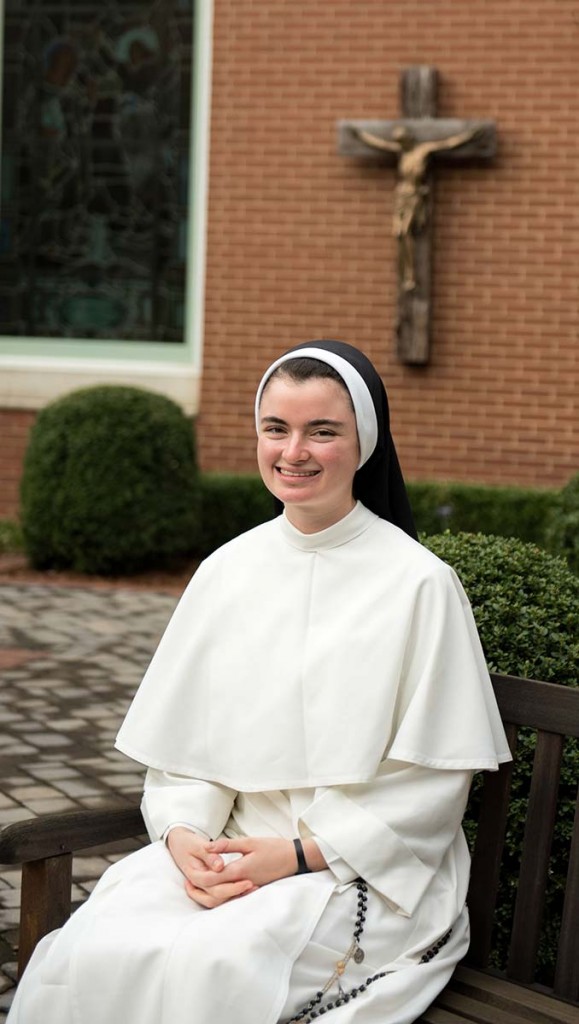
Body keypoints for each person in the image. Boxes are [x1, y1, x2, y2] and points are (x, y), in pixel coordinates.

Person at [8, 340, 511, 1024]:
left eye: (321, 431)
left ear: (364, 443)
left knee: (216, 966)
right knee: (94, 950)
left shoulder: (418, 583)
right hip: (226, 846)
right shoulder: (226, 571)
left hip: (355, 862)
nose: (293, 451)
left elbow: (428, 784)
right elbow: (186, 749)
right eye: (276, 428)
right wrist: (184, 834)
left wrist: (296, 854)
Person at [353, 125, 481, 290]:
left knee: (406, 232)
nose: (401, 144)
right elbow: (381, 144)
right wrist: (361, 136)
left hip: (414, 196)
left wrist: (469, 136)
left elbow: (448, 143)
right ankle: (404, 273)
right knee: (398, 234)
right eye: (398, 142)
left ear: (409, 139)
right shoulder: (402, 152)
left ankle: (410, 275)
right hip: (400, 196)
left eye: (402, 141)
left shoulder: (423, 150)